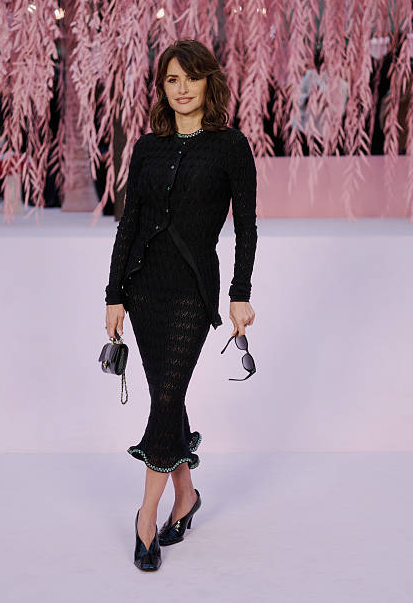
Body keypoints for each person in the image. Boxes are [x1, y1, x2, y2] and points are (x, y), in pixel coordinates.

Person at [104, 39, 257, 571]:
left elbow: (246, 228)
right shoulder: (147, 148)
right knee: (167, 398)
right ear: (162, 88)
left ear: (208, 82)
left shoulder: (231, 146)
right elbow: (129, 224)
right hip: (144, 289)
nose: (182, 88)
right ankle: (186, 497)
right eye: (172, 79)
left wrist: (240, 293)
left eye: (191, 78)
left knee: (166, 396)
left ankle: (146, 516)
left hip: (193, 290)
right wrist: (114, 295)